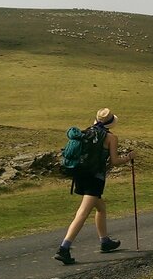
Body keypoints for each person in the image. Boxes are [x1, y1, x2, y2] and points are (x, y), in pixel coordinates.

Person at [55, 108, 137, 265]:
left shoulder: (86, 132)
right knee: (83, 213)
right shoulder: (111, 138)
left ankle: (105, 241)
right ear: (111, 123)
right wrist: (128, 157)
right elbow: (114, 161)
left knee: (101, 208)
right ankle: (64, 248)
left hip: (80, 175)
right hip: (95, 179)